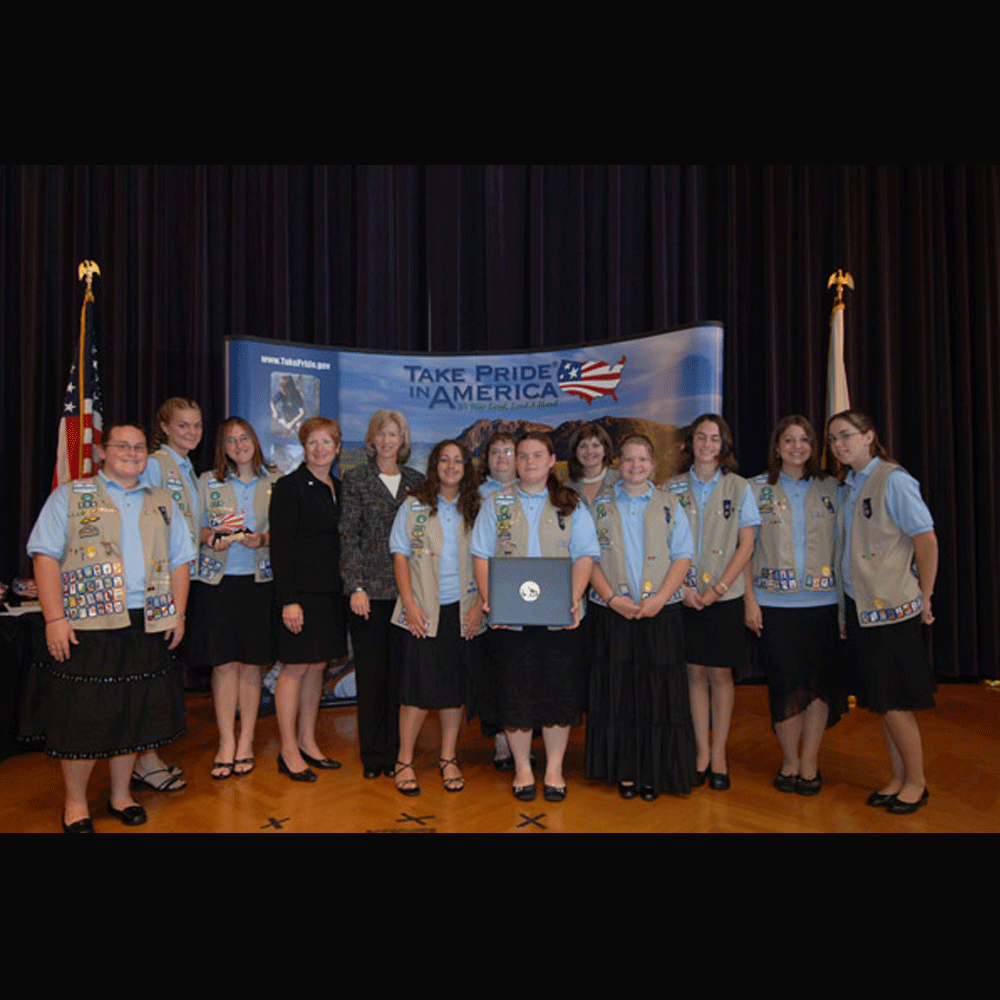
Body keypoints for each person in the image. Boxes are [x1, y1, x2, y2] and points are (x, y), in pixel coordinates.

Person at [25, 422, 194, 832]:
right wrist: (54, 618)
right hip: (88, 624)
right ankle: (76, 804)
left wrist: (179, 613)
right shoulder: (70, 496)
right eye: (123, 445)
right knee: (84, 719)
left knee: (133, 714)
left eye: (139, 447)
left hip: (148, 620)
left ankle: (121, 795)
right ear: (102, 452)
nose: (132, 453)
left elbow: (180, 561)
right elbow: (45, 556)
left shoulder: (162, 500)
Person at [472, 432, 599, 802]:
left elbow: (586, 556)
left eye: (536, 455)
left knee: (557, 694)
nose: (528, 462)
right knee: (516, 694)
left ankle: (555, 768)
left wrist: (572, 600)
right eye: (522, 456)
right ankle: (524, 768)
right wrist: (489, 599)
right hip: (509, 618)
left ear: (550, 461)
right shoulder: (496, 503)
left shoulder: (570, 502)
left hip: (559, 617)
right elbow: (481, 554)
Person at [827, 409, 938, 815]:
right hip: (861, 610)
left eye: (847, 435)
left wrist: (925, 595)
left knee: (895, 702)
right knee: (881, 699)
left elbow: (925, 540)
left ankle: (916, 782)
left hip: (892, 610)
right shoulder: (848, 485)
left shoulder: (894, 480)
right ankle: (897, 777)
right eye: (834, 439)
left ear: (869, 436)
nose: (840, 445)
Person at [585, 435, 695, 800]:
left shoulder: (669, 503)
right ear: (618, 462)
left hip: (659, 613)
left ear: (652, 464)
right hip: (613, 612)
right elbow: (588, 559)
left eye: (642, 460)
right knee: (620, 695)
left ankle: (654, 773)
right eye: (628, 460)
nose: (635, 466)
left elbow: (682, 556)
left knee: (657, 696)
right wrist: (611, 598)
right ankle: (625, 771)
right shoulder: (599, 505)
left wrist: (661, 599)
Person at [743, 416, 844, 796]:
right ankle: (789, 759)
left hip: (823, 604)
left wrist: (844, 612)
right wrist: (749, 602)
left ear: (814, 446)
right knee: (785, 686)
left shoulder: (833, 488)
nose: (797, 446)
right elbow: (745, 552)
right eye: (789, 440)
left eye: (804, 440)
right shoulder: (755, 490)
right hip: (774, 605)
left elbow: (846, 549)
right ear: (777, 446)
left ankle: (810, 761)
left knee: (819, 688)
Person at [668, 414, 758, 790]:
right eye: (701, 437)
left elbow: (747, 544)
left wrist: (718, 588)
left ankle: (719, 752)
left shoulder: (739, 487)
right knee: (693, 673)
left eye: (714, 438)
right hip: (685, 596)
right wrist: (685, 589)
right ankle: (701, 751)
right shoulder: (671, 488)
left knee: (720, 674)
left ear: (724, 445)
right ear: (691, 443)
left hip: (725, 595)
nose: (707, 444)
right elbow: (665, 543)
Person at [389, 440, 484, 795]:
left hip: (463, 611)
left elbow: (488, 559)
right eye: (444, 459)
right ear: (434, 466)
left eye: (458, 460)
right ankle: (404, 760)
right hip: (422, 611)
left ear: (466, 468)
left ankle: (448, 759)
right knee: (415, 690)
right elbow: (399, 555)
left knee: (453, 690)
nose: (451, 465)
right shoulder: (414, 505)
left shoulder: (477, 508)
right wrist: (410, 604)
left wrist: (480, 606)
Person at [190, 418, 277, 780]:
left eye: (244, 438)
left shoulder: (275, 481)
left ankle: (247, 740)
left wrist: (264, 539)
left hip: (259, 582)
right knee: (224, 665)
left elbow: (285, 530)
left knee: (251, 665)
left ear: (255, 442)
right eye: (231, 440)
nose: (239, 444)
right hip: (218, 582)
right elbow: (191, 528)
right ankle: (227, 741)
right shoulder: (206, 481)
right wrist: (212, 538)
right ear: (222, 447)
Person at [340, 410, 424, 779]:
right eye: (381, 434)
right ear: (371, 440)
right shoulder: (355, 479)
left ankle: (398, 751)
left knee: (400, 677)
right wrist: (355, 587)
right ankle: (373, 755)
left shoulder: (418, 482)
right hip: (369, 595)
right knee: (371, 677)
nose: (387, 441)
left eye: (394, 434)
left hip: (409, 595)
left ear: (402, 441)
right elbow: (348, 538)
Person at [269, 416, 349, 782]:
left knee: (317, 667)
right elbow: (281, 549)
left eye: (326, 442)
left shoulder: (339, 487)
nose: (319, 449)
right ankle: (287, 750)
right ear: (304, 447)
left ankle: (308, 742)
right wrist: (289, 600)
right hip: (299, 596)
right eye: (312, 442)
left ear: (337, 447)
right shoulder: (289, 487)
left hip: (331, 595)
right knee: (295, 669)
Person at [131, 396, 203, 792]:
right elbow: (148, 522)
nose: (191, 432)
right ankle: (145, 760)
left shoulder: (188, 469)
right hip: (156, 586)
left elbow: (185, 528)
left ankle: (147, 755)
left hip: (182, 580)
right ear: (164, 427)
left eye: (196, 425)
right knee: (150, 672)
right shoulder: (157, 465)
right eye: (183, 426)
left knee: (161, 670)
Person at [477, 430, 519, 769]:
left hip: (527, 595)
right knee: (496, 672)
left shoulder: (535, 491)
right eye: (495, 452)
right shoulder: (474, 496)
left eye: (508, 451)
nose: (502, 457)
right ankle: (503, 743)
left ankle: (524, 742)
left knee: (524, 670)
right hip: (487, 594)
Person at [565, 422, 619, 509]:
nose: (589, 451)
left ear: (605, 450)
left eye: (595, 445)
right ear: (575, 452)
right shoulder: (567, 487)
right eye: (583, 446)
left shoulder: (621, 480)